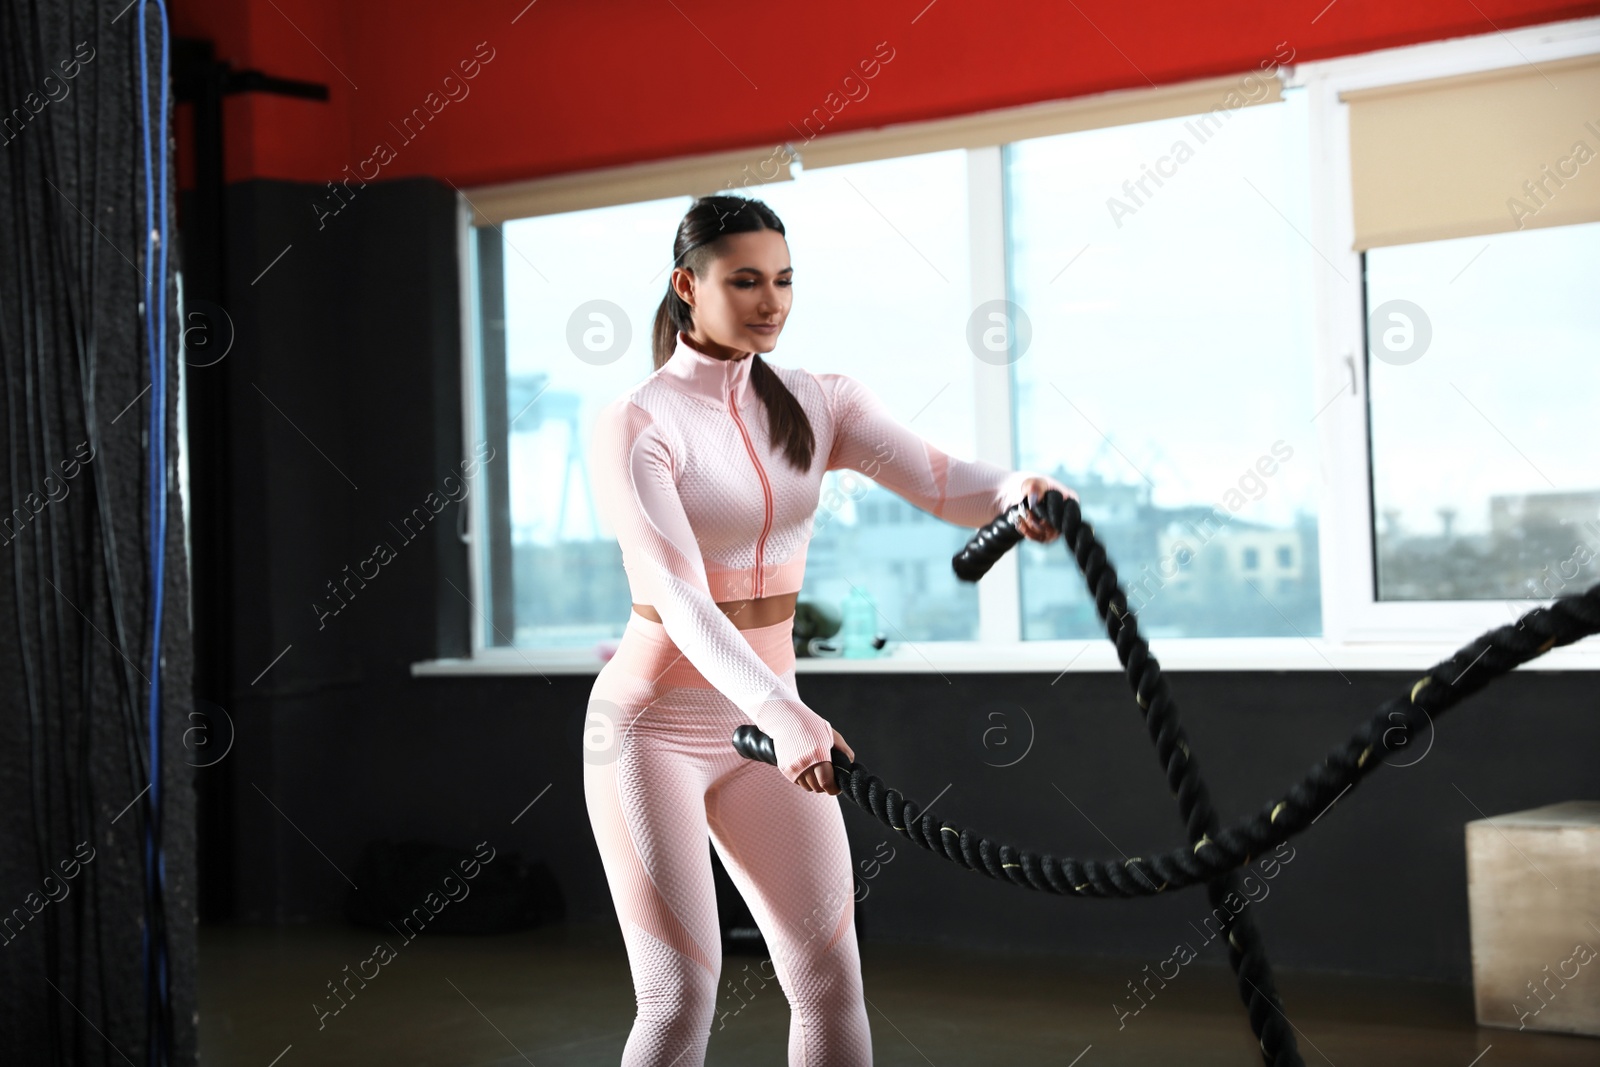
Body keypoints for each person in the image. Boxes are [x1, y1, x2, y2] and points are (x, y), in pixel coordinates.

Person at [584, 194, 1076, 1066]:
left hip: (772, 728)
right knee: (677, 998)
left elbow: (942, 479)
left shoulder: (819, 402)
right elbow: (679, 593)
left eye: (783, 280)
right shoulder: (639, 421)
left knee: (827, 978)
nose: (770, 301)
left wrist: (1013, 490)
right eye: (744, 280)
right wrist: (782, 713)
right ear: (685, 286)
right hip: (650, 728)